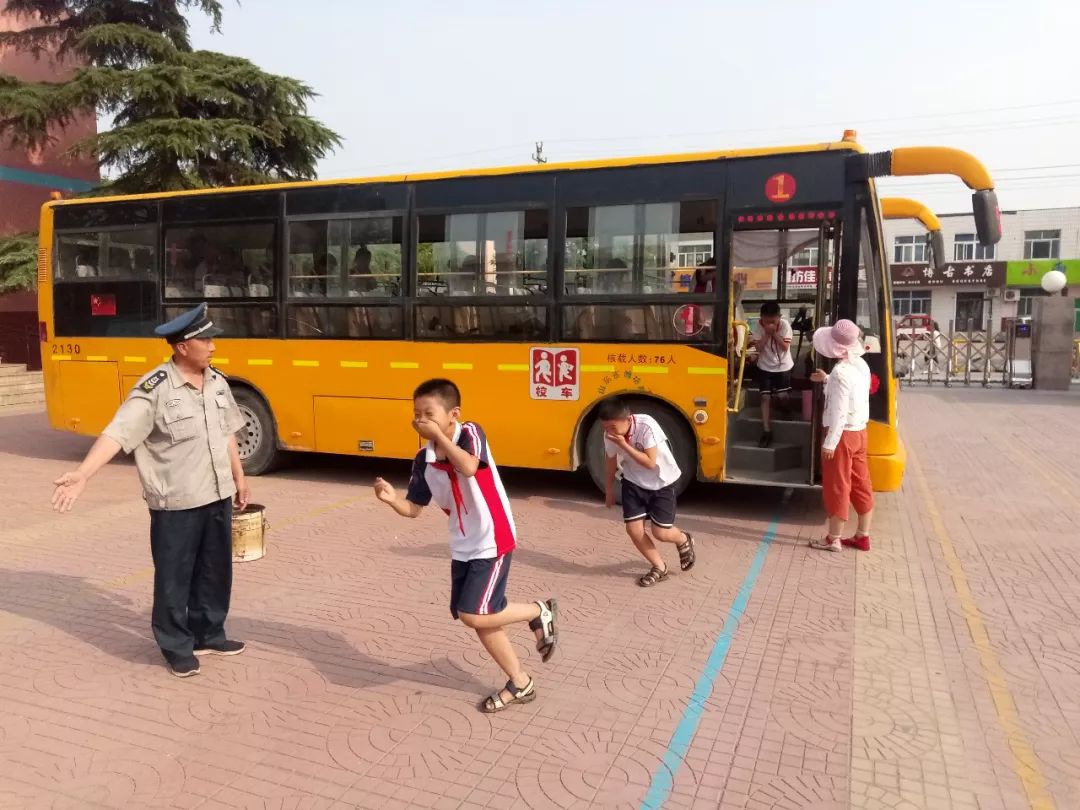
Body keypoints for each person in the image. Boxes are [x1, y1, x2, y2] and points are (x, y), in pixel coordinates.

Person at [50, 303, 250, 678]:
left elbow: (227, 432)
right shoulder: (154, 389)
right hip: (176, 501)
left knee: (215, 571)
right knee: (175, 575)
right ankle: (176, 645)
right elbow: (117, 433)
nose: (213, 346)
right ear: (182, 347)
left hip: (217, 494)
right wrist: (83, 474)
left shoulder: (217, 381)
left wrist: (239, 478)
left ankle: (209, 633)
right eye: (205, 340)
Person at [372, 379, 558, 713]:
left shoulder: (469, 433)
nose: (420, 420)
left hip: (492, 537)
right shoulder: (423, 459)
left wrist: (441, 436)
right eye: (416, 414)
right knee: (476, 616)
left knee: (475, 613)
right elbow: (414, 508)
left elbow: (469, 466)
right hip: (463, 544)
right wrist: (391, 500)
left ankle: (537, 611)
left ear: (453, 414)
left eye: (429, 413)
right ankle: (520, 682)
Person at [598, 396, 696, 587]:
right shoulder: (609, 434)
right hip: (633, 482)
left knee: (660, 532)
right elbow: (610, 461)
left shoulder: (646, 425)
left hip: (661, 482)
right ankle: (659, 567)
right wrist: (609, 490)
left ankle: (683, 539)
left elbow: (651, 462)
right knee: (633, 530)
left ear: (627, 419)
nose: (609, 432)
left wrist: (624, 444)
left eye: (612, 427)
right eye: (605, 428)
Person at [808, 319, 874, 553]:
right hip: (860, 432)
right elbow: (855, 394)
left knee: (838, 485)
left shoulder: (839, 373)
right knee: (860, 482)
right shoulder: (860, 366)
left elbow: (838, 411)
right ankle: (862, 535)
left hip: (842, 436)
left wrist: (830, 442)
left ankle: (833, 538)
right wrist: (826, 379)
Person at [751, 301, 794, 447]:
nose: (769, 323)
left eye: (773, 321)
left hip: (782, 367)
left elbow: (784, 347)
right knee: (764, 397)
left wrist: (774, 333)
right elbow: (758, 348)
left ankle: (785, 406)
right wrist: (766, 335)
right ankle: (766, 430)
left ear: (779, 317)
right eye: (766, 321)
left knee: (783, 396)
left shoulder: (785, 326)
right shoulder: (758, 326)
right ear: (761, 317)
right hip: (765, 366)